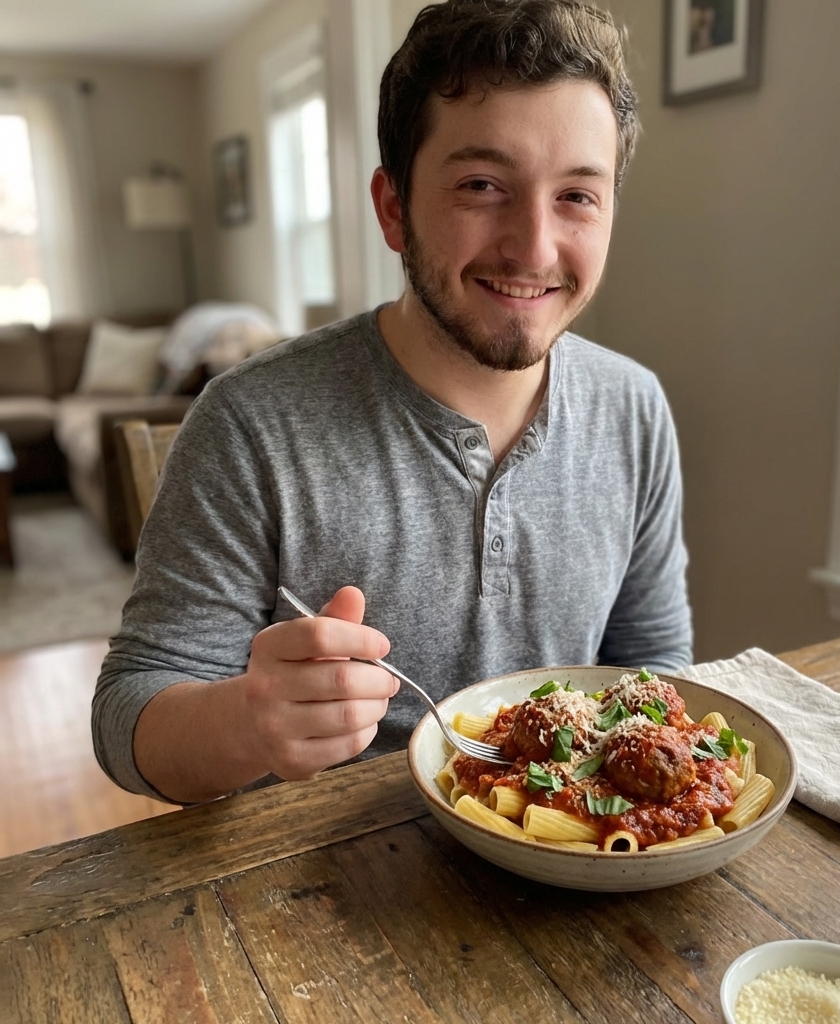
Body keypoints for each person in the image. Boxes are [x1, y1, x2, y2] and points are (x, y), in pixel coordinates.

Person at [93, 0, 692, 805]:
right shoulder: (250, 423)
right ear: (393, 209)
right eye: (482, 185)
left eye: (577, 196)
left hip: (579, 877)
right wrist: (245, 722)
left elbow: (653, 665)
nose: (535, 248)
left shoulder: (635, 408)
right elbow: (129, 710)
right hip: (320, 891)